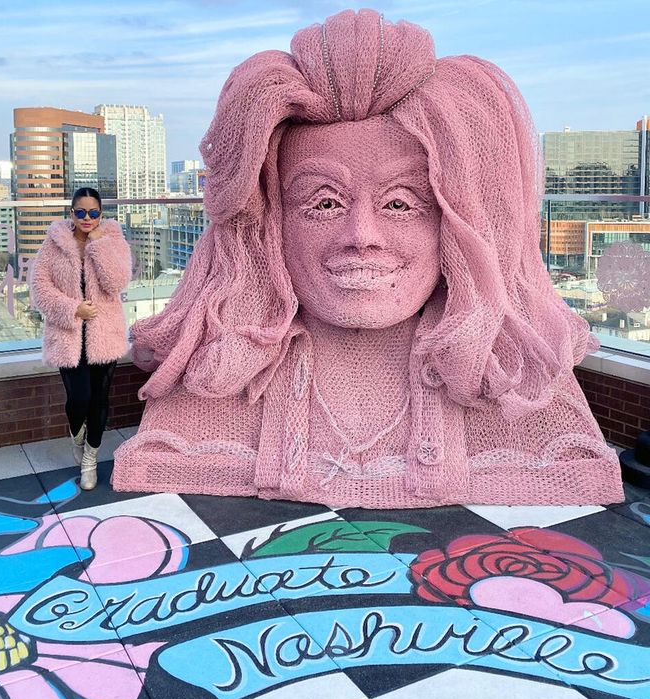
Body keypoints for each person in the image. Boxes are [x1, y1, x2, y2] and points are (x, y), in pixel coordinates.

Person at [113, 9, 624, 508]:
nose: (361, 236)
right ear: (269, 221)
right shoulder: (219, 367)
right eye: (325, 203)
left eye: (400, 204)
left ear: (459, 222)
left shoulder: (516, 378)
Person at [30, 187, 132, 490]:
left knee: (100, 399)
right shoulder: (55, 242)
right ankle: (76, 433)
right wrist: (73, 308)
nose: (87, 218)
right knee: (79, 398)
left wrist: (98, 245)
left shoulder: (112, 239)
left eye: (93, 213)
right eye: (80, 212)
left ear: (101, 214)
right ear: (71, 213)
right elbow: (39, 287)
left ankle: (90, 460)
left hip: (105, 334)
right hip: (68, 335)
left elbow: (117, 282)